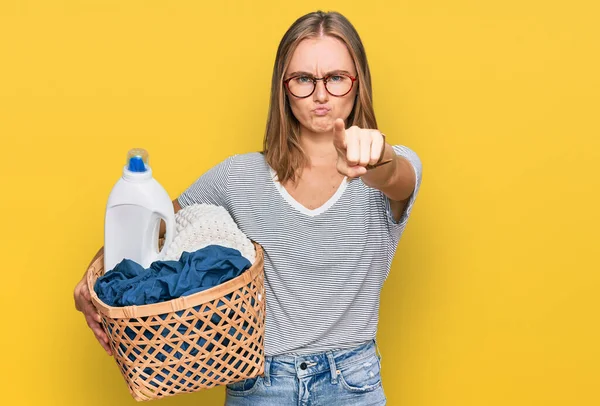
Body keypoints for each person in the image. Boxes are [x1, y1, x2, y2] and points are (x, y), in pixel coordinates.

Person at [74, 10, 422, 405]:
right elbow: (151, 227)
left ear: (358, 84)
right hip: (260, 385)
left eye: (337, 78)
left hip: (352, 383)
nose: (321, 94)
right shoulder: (237, 177)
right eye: (304, 79)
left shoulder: (389, 168)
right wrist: (92, 278)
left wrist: (377, 158)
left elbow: (394, 175)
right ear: (283, 88)